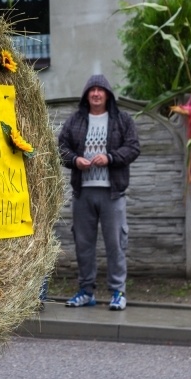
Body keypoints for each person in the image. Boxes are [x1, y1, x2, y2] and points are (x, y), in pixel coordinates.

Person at [58, 74, 140, 310]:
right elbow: (61, 147)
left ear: (107, 95)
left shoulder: (121, 119)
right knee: (83, 244)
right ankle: (86, 291)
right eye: (91, 90)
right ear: (86, 95)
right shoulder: (75, 120)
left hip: (112, 194)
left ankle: (117, 292)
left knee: (115, 244)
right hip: (83, 193)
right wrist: (75, 160)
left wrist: (111, 158)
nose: (95, 94)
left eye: (100, 90)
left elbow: (133, 147)